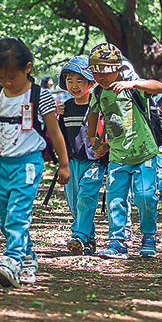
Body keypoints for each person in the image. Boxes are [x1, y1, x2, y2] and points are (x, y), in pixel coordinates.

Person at [0, 38, 70, 288]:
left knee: (18, 215)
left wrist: (64, 164)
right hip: (1, 165)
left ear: (27, 68)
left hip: (29, 163)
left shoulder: (41, 97)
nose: (7, 83)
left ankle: (11, 259)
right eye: (1, 77)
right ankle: (28, 258)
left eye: (12, 77)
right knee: (6, 218)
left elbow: (56, 131)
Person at [87, 43, 162, 259]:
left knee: (146, 197)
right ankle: (117, 243)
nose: (101, 76)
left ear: (118, 68)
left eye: (106, 71)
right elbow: (93, 114)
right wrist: (94, 139)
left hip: (144, 153)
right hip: (117, 156)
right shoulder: (98, 91)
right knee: (115, 199)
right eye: (95, 71)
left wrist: (132, 84)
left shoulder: (133, 87)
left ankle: (149, 237)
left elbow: (158, 86)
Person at [56, 56, 108, 256]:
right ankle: (88, 239)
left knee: (86, 198)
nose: (74, 86)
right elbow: (59, 136)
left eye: (79, 81)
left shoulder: (99, 105)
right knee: (74, 203)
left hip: (94, 162)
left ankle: (78, 235)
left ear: (90, 82)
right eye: (70, 81)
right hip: (71, 162)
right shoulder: (65, 107)